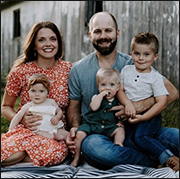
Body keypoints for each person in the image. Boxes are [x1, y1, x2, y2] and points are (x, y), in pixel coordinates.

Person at [66, 11, 179, 171]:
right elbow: (73, 107)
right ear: (90, 35)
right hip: (100, 135)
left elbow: (172, 92)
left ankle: (141, 154)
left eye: (108, 30)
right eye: (98, 31)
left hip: (137, 129)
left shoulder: (133, 63)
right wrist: (76, 130)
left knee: (175, 136)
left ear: (117, 32)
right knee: (94, 147)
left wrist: (137, 106)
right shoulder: (78, 69)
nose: (103, 36)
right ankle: (153, 161)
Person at [1, 21, 72, 167]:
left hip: (53, 134)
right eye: (41, 40)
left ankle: (23, 155)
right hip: (27, 131)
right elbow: (6, 106)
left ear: (59, 42)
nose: (48, 44)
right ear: (34, 44)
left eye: (53, 39)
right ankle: (22, 153)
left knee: (55, 153)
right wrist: (21, 119)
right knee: (15, 152)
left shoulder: (69, 70)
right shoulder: (20, 72)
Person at [118, 32, 179, 171]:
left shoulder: (155, 77)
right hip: (130, 116)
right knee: (127, 141)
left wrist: (144, 117)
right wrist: (127, 103)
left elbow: (162, 101)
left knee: (141, 137)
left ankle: (169, 158)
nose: (141, 58)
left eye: (146, 54)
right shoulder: (126, 70)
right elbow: (119, 90)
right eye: (137, 53)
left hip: (150, 116)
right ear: (131, 53)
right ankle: (153, 161)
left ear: (155, 56)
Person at [70, 68, 125, 167]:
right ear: (98, 86)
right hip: (92, 124)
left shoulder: (118, 101)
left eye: (112, 85)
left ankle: (118, 144)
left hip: (108, 126)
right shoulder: (96, 97)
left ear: (118, 87)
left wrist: (121, 123)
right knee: (79, 134)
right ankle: (77, 157)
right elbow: (94, 107)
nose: (107, 88)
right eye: (103, 85)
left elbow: (121, 115)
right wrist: (101, 95)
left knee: (120, 130)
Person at [8, 73, 69, 141]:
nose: (37, 94)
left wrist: (57, 117)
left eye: (41, 91)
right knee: (40, 133)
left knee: (67, 135)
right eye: (33, 91)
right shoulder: (28, 105)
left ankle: (67, 141)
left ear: (47, 92)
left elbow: (59, 111)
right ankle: (53, 137)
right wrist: (11, 129)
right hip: (39, 129)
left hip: (53, 127)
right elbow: (18, 116)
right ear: (28, 92)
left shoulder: (51, 102)